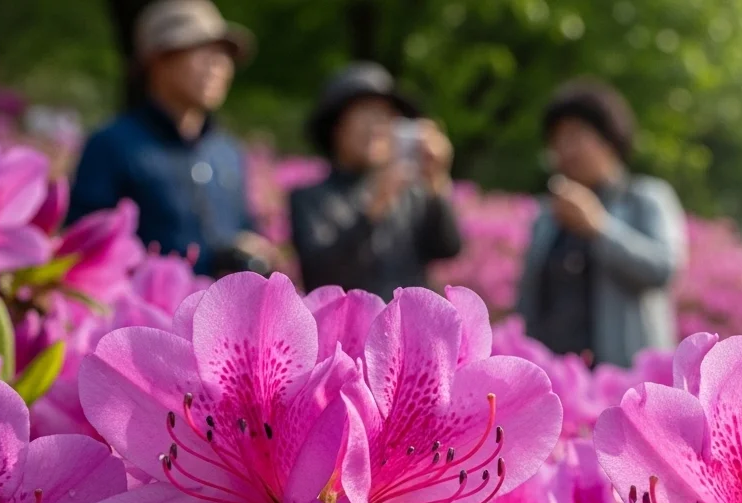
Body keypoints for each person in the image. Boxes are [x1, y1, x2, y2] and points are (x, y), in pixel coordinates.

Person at [68, 0, 278, 276]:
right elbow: (87, 248)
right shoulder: (110, 146)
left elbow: (243, 226)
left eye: (223, 54)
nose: (218, 65)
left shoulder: (228, 151)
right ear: (158, 59)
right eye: (203, 51)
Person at [515, 79, 687, 368]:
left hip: (623, 372)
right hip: (556, 373)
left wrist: (599, 228)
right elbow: (530, 298)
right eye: (557, 140)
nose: (564, 149)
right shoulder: (548, 215)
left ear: (609, 140)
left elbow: (663, 268)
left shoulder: (645, 198)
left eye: (575, 136)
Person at [289, 63, 460, 300]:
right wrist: (374, 208)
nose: (378, 126)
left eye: (385, 115)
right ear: (336, 127)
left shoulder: (412, 194)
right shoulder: (310, 198)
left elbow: (448, 248)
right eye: (365, 114)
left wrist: (437, 180)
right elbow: (323, 273)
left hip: (404, 323)